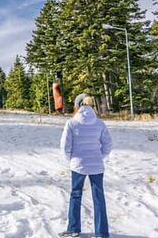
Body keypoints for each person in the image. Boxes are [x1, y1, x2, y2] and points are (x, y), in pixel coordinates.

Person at [59, 94, 113, 238]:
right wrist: (99, 156)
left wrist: (71, 160)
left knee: (76, 195)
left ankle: (73, 229)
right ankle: (101, 233)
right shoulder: (99, 123)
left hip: (78, 165)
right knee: (99, 198)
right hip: (96, 166)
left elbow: (65, 147)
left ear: (77, 105)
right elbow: (108, 144)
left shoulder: (71, 123)